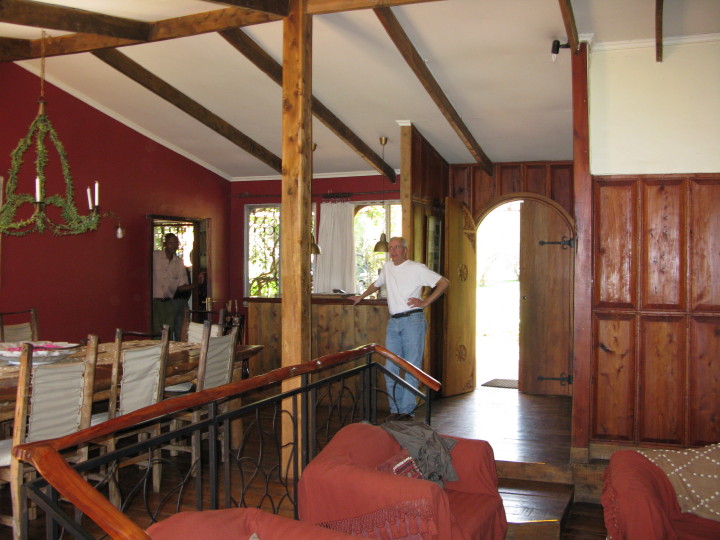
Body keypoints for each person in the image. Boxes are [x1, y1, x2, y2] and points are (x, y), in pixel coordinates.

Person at [350, 236, 449, 420]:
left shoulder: (417, 268)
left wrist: (425, 302)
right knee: (390, 367)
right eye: (391, 248)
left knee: (411, 367)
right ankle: (395, 410)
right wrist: (360, 297)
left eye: (396, 247)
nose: (393, 251)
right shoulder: (387, 267)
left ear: (405, 250)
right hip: (393, 322)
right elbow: (376, 284)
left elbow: (444, 283)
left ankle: (406, 411)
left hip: (413, 321)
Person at [153, 233, 204, 340]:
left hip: (168, 302)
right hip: (154, 302)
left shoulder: (179, 263)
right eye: (170, 243)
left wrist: (197, 284)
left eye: (175, 243)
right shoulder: (155, 256)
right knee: (156, 333)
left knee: (169, 333)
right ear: (165, 244)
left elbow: (181, 287)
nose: (173, 246)